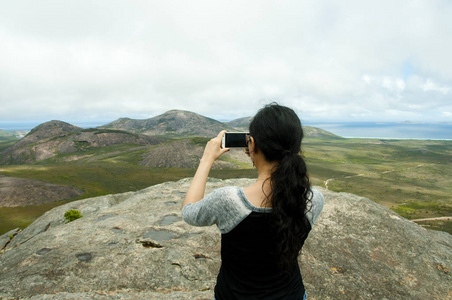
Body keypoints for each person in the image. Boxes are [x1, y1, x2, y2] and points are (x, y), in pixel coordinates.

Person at [181, 103, 324, 299]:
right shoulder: (313, 199)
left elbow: (189, 212)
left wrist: (207, 159)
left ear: (252, 144)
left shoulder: (229, 201)